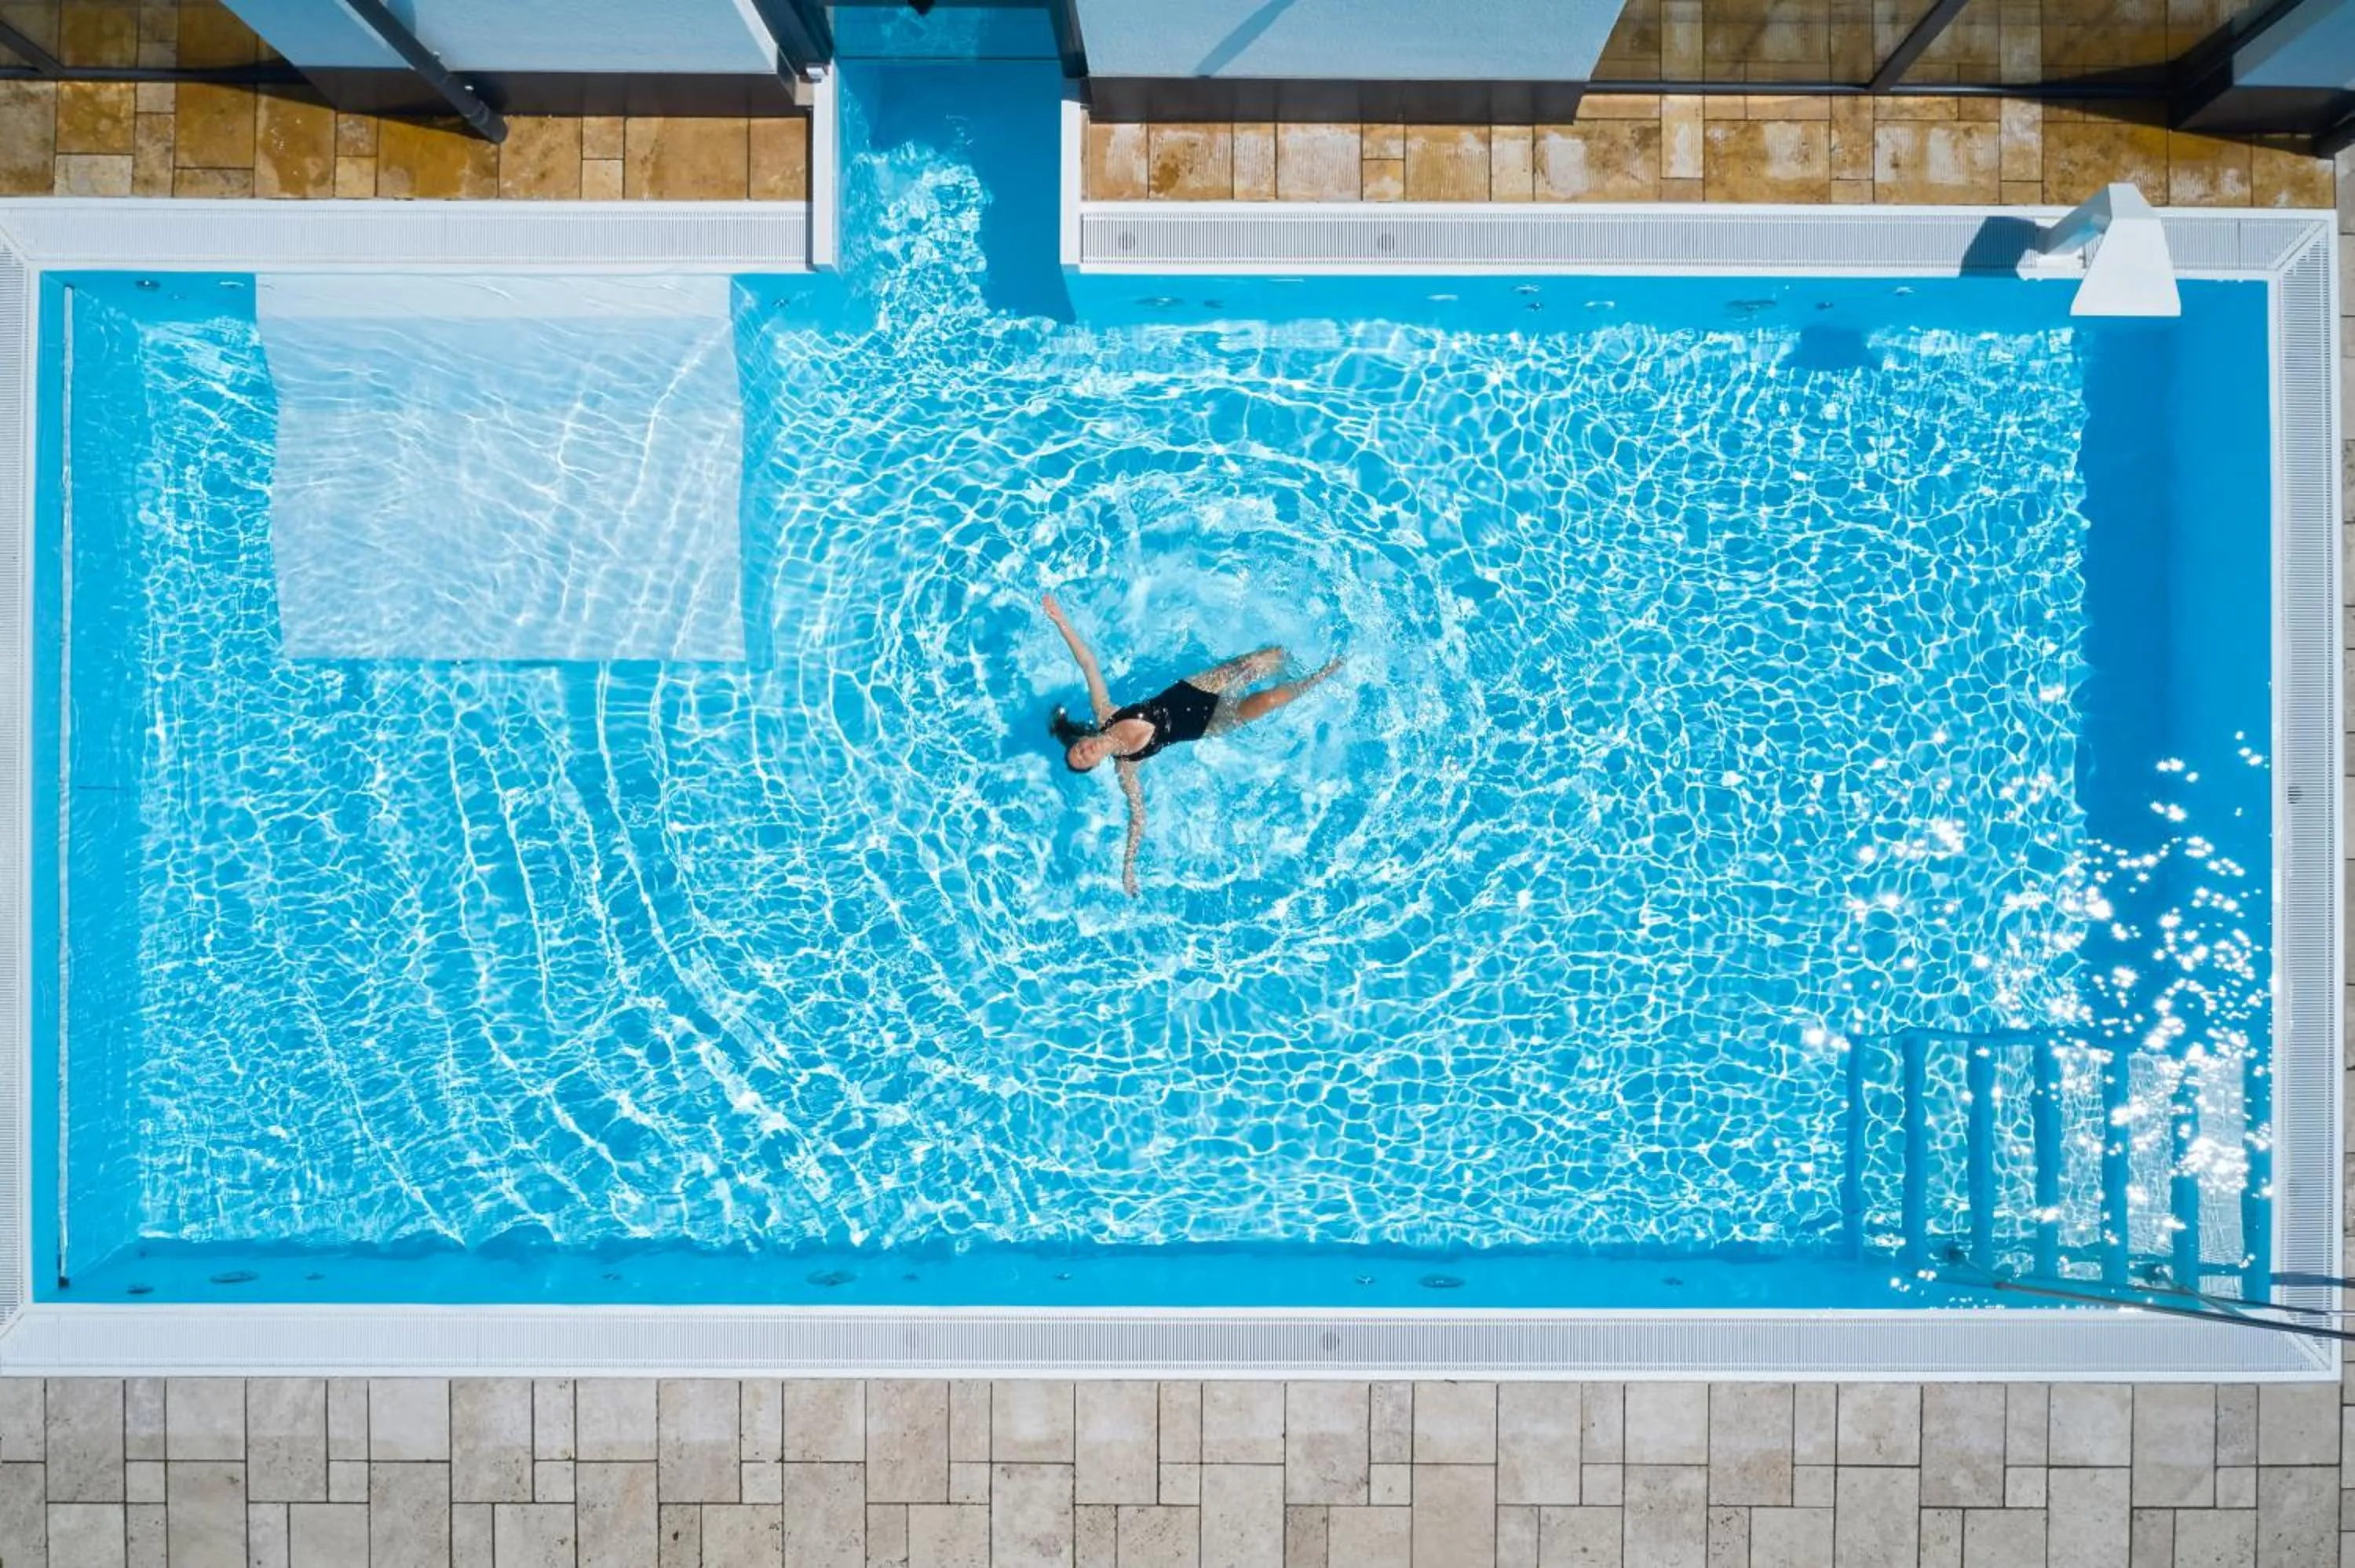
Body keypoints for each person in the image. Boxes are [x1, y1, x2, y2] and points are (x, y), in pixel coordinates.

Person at [1042, 592, 1343, 897]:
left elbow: (1087, 663)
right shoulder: (1127, 767)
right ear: (1094, 766)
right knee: (1270, 699)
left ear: (1083, 739)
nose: (1085, 753)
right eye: (1084, 761)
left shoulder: (1106, 711)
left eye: (1079, 749)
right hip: (1210, 723)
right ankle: (1324, 674)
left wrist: (1060, 621)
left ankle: (1308, 651)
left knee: (1269, 658)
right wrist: (1128, 868)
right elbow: (1138, 817)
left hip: (1195, 688)